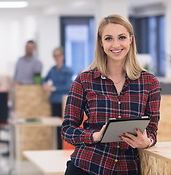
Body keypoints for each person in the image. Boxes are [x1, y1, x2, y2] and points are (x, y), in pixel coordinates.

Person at [61, 14, 161, 175]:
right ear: (101, 42)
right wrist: (95, 136)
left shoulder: (149, 83)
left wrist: (146, 141)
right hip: (87, 166)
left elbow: (152, 130)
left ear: (130, 39)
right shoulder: (84, 81)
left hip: (127, 168)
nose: (116, 44)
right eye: (108, 38)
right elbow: (67, 130)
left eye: (122, 37)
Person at [42, 46, 73, 149]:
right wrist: (45, 84)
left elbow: (67, 86)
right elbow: (44, 79)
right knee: (55, 126)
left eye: (58, 55)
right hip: (54, 101)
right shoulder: (52, 69)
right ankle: (57, 147)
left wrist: (53, 88)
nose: (56, 58)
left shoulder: (67, 70)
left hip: (63, 102)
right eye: (54, 56)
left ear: (63, 56)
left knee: (63, 126)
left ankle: (63, 147)